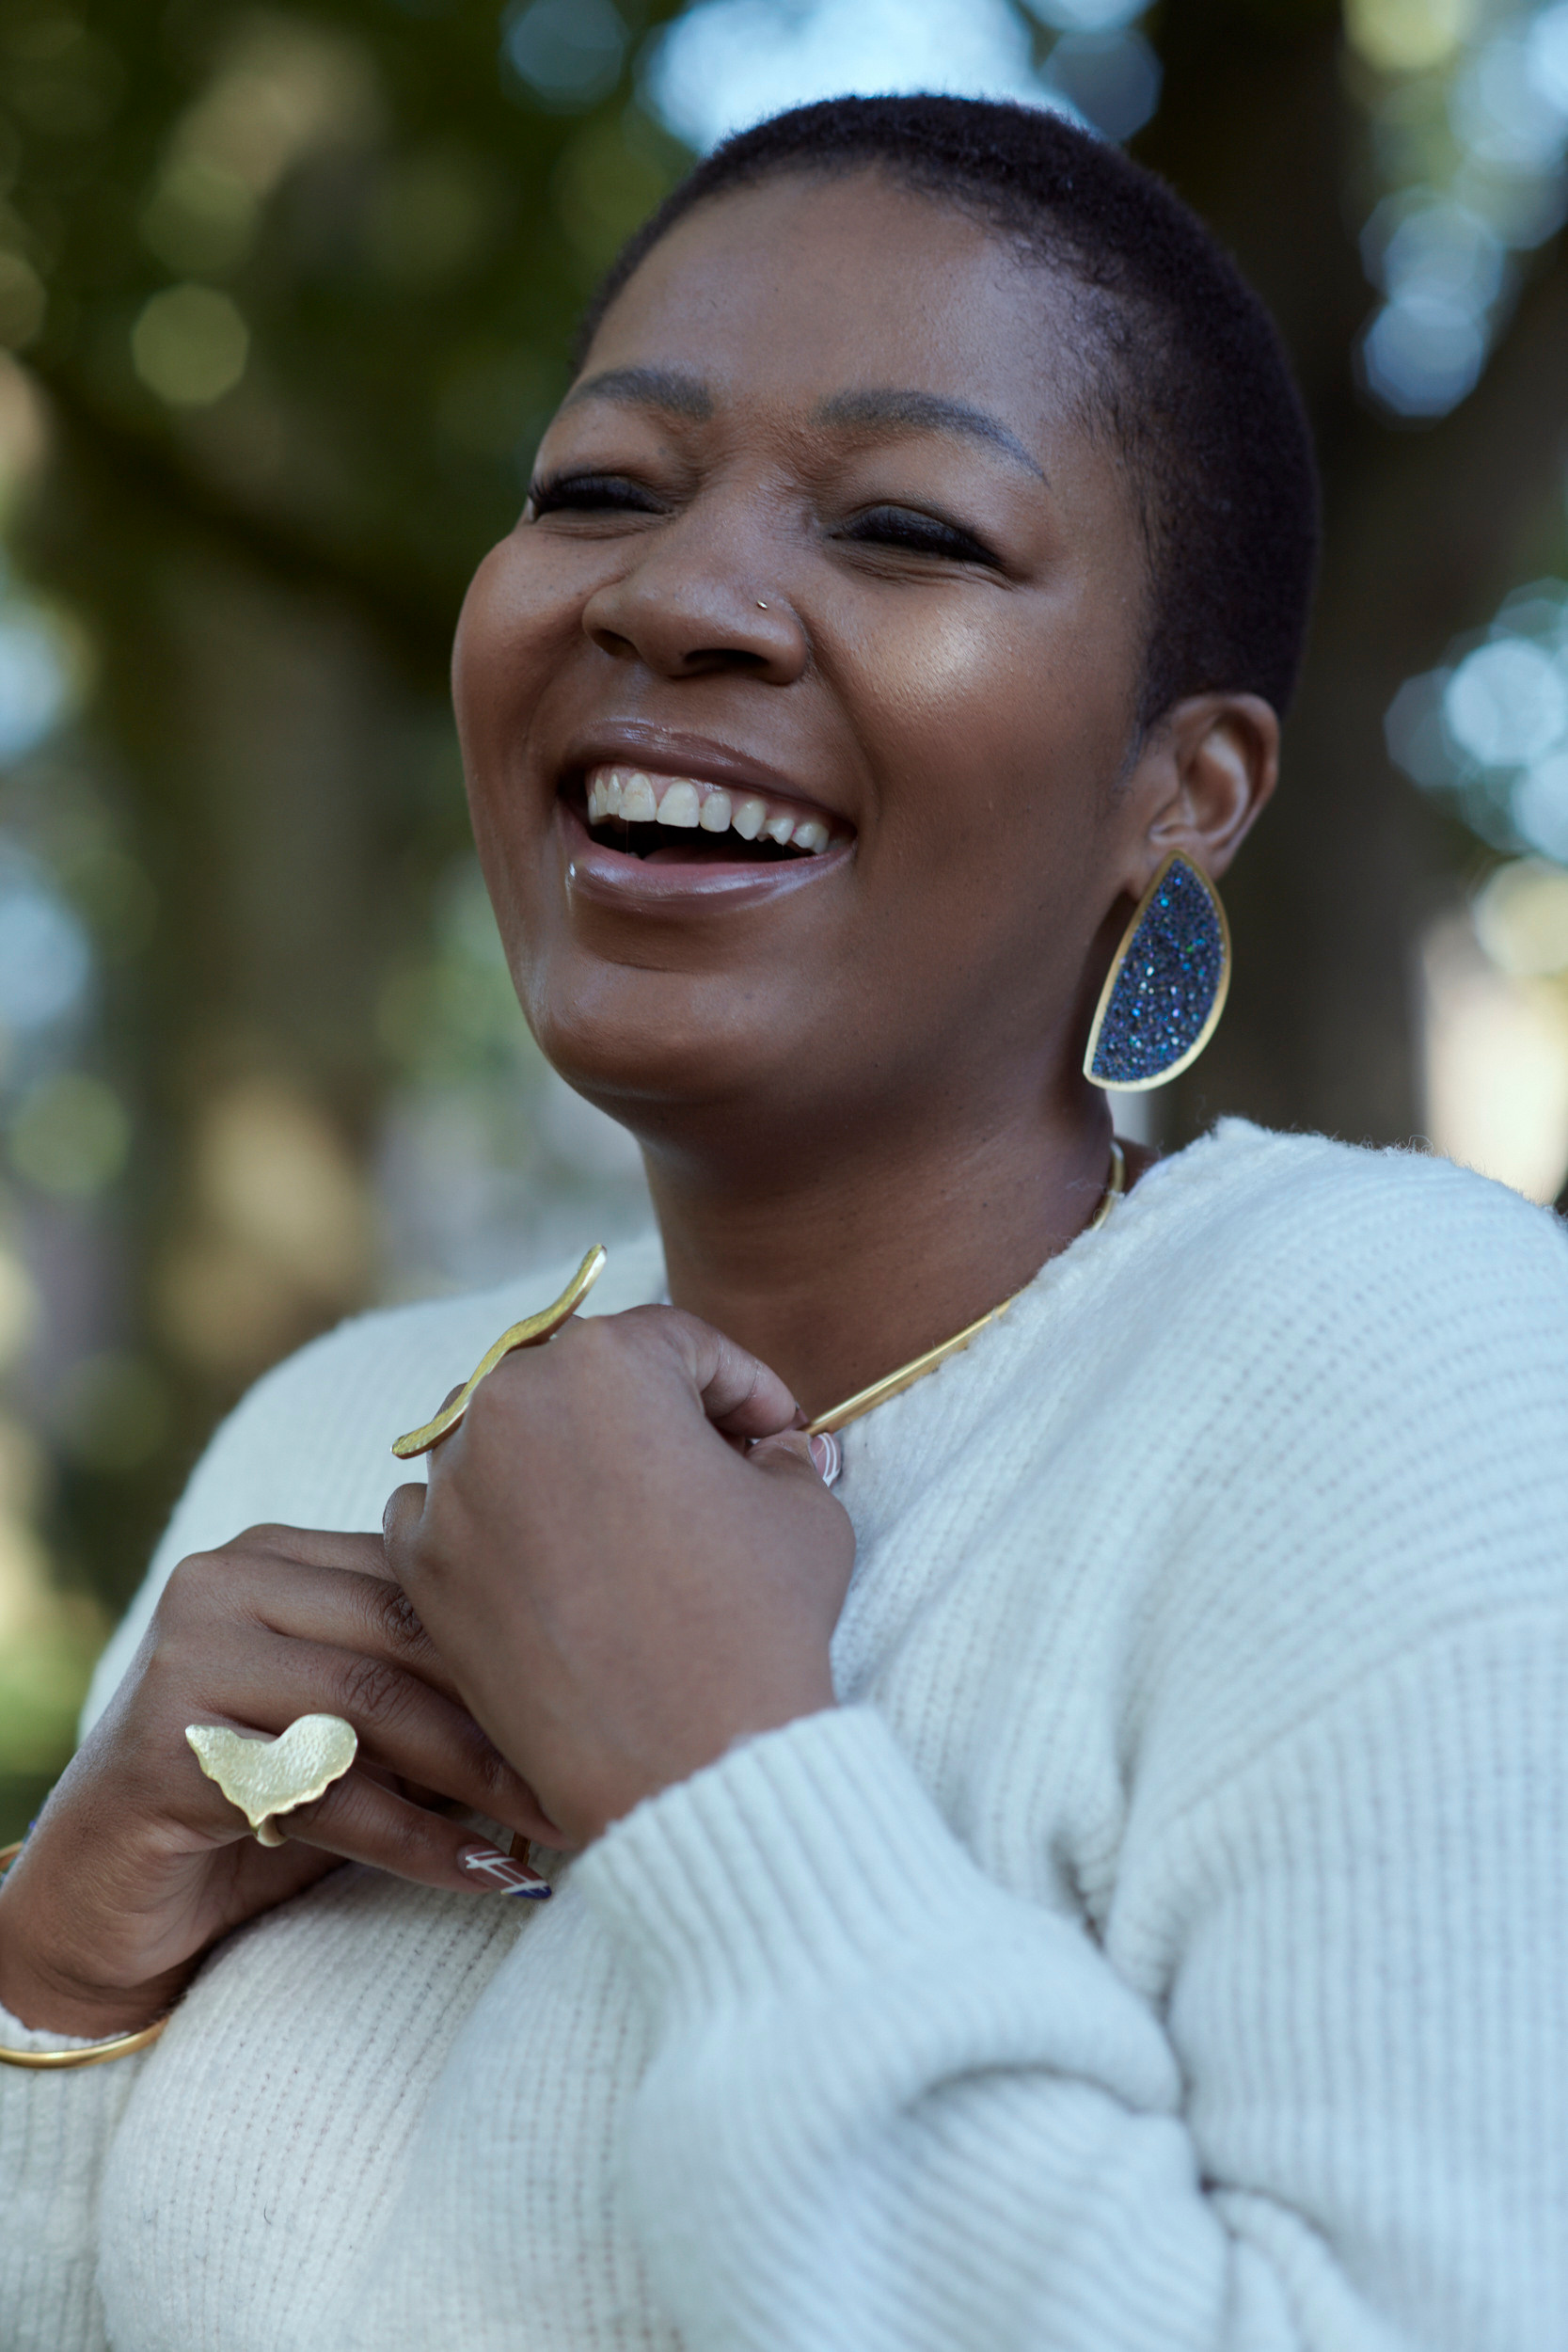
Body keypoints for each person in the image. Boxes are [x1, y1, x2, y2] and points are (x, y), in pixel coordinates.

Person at [1, 93, 1563, 2352]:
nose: (677, 595)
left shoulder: (1406, 1365)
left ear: (1184, 788)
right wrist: (57, 1969)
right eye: (597, 492)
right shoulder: (326, 1429)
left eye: (909, 526)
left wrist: (720, 1773)